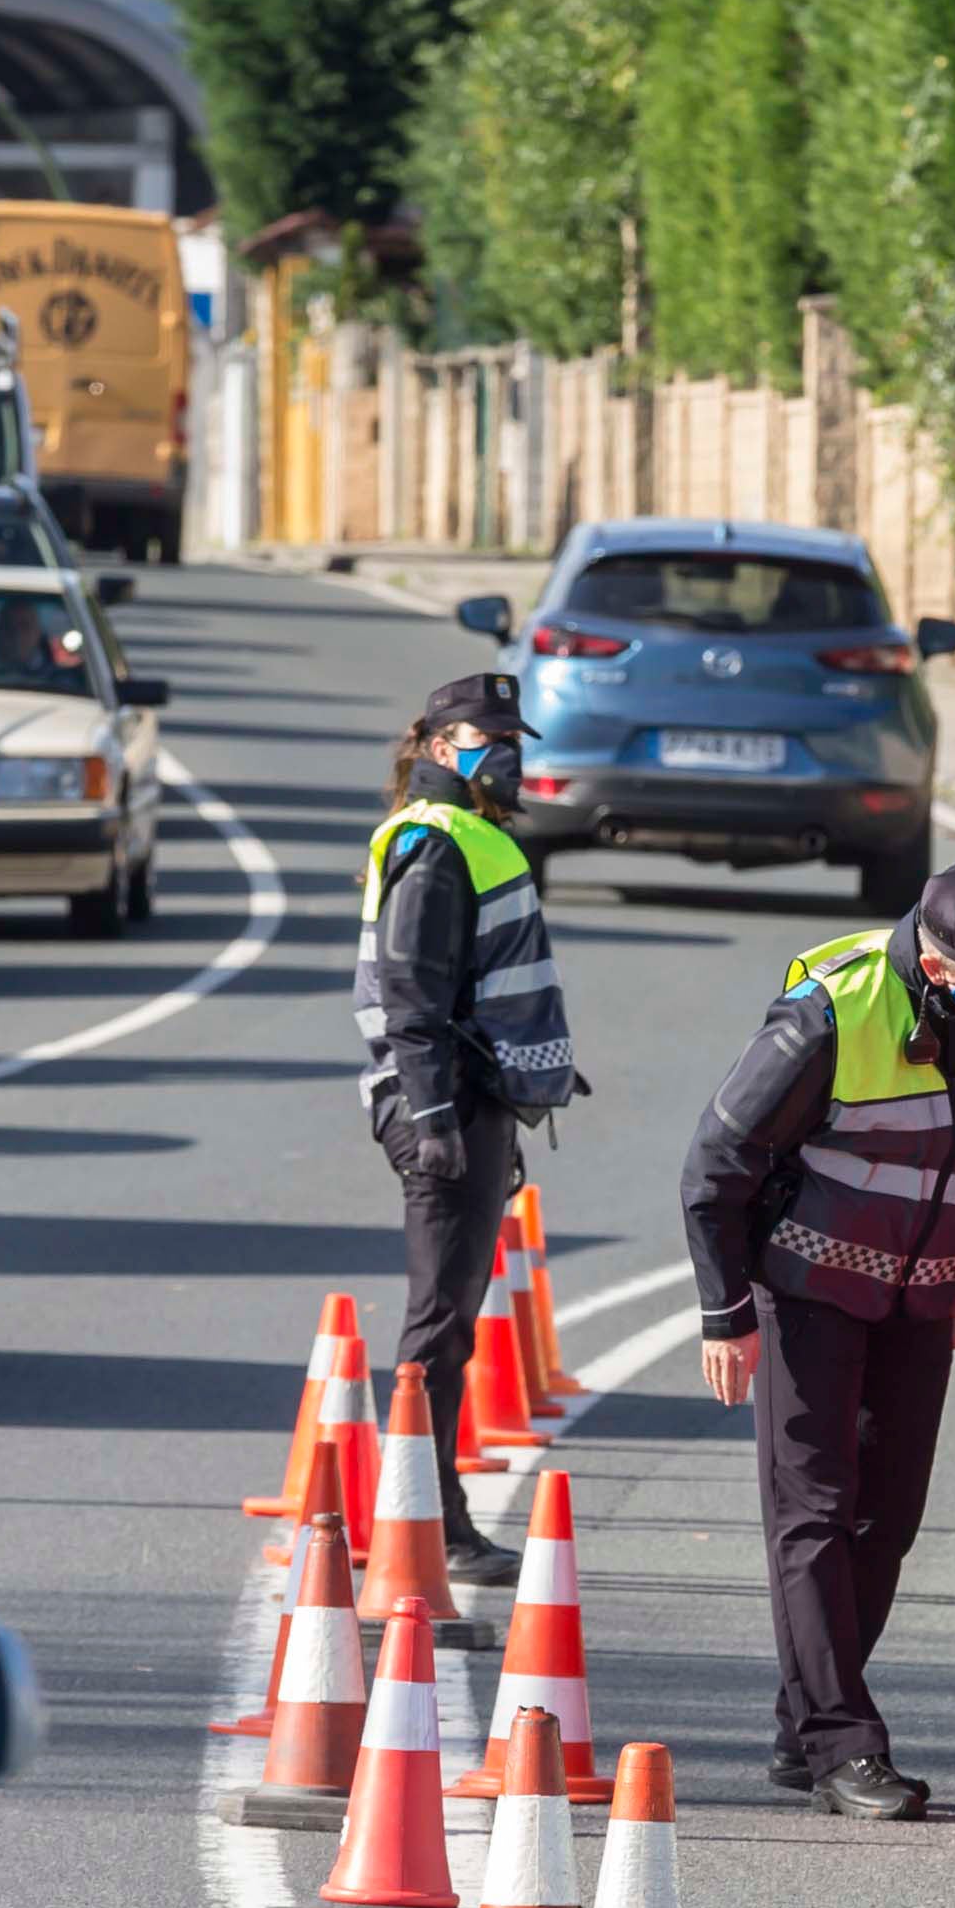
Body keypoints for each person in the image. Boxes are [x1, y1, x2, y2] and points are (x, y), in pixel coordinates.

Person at [681, 858, 955, 1820]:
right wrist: (724, 1312)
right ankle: (846, 1742)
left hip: (922, 1301)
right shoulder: (830, 1015)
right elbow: (717, 1161)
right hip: (807, 1290)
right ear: (938, 969)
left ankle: (801, 1721)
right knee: (813, 1511)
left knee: (885, 1519)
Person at [356, 669, 580, 1589]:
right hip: (440, 1107)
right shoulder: (437, 844)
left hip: (471, 1107)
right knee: (439, 1322)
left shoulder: (474, 837)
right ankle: (425, 1526)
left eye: (515, 738)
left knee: (451, 1321)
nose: (511, 755)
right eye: (491, 740)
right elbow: (412, 995)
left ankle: (434, 1515)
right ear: (442, 748)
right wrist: (439, 1118)